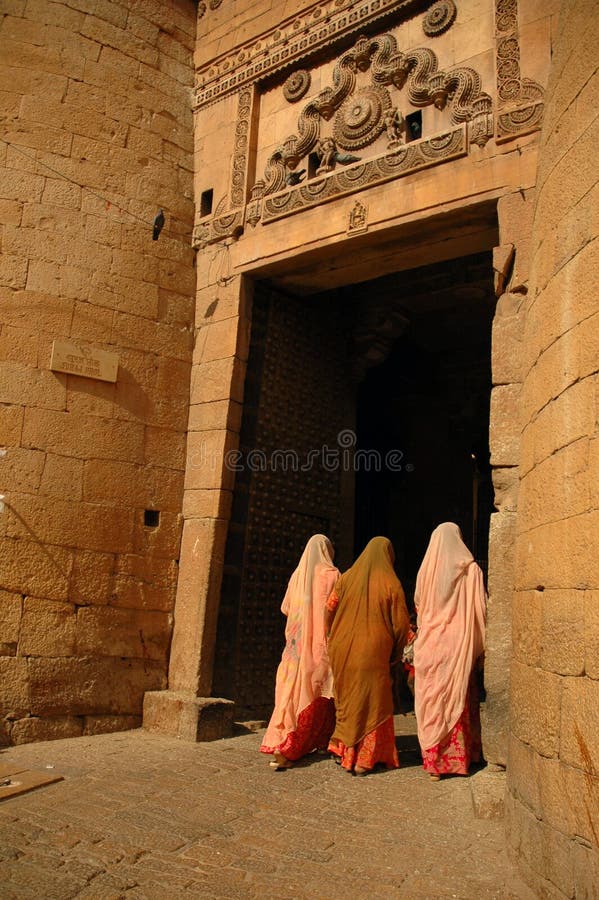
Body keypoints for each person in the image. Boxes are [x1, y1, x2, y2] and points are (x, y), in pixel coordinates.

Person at [325, 536, 409, 775]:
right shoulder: (391, 583)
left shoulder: (346, 578)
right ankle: (365, 758)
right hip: (373, 652)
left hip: (341, 649)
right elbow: (401, 625)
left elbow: (329, 608)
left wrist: (331, 636)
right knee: (374, 702)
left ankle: (344, 750)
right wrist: (396, 651)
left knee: (348, 699)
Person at [413, 522, 487, 780]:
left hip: (430, 644)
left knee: (432, 701)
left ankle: (434, 763)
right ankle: (457, 759)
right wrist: (478, 646)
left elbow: (420, 606)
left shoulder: (426, 571)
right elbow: (481, 611)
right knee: (456, 699)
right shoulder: (472, 571)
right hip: (458, 645)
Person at [260, 534, 339, 770]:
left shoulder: (297, 576)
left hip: (293, 649)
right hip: (320, 646)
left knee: (289, 695)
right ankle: (296, 745)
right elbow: (337, 610)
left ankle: (285, 741)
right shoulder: (333, 575)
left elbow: (285, 608)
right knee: (316, 693)